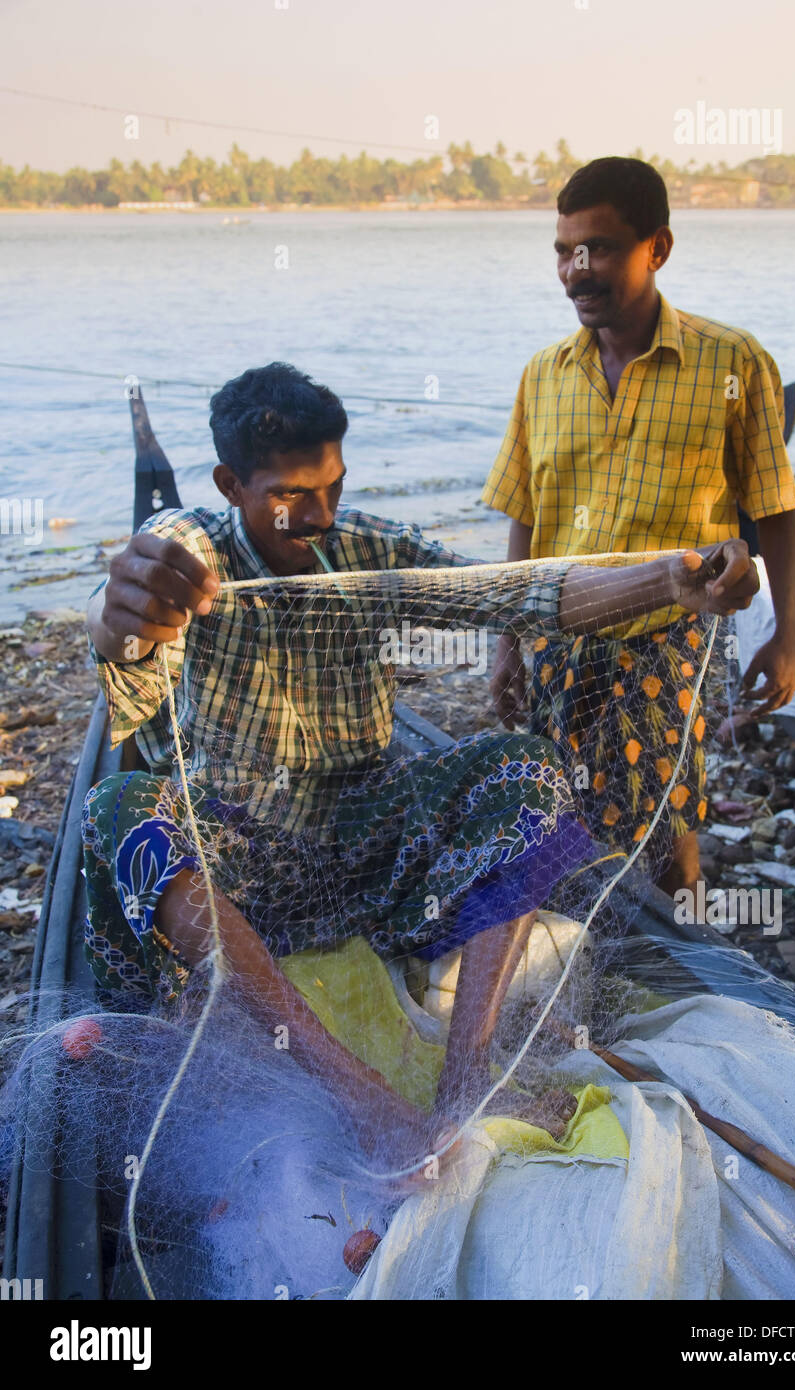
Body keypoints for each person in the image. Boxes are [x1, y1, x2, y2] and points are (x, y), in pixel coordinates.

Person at [84, 361, 758, 1171]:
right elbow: (131, 601)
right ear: (231, 483)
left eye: (332, 485)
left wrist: (672, 580)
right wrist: (121, 605)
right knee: (120, 805)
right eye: (291, 495)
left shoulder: (369, 547)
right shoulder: (196, 550)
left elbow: (517, 593)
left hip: (370, 848)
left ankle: (470, 1075)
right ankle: (357, 1095)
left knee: (524, 767)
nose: (319, 515)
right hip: (245, 860)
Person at [482, 156, 795, 897]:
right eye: (564, 251)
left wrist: (786, 637)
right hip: (562, 626)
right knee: (559, 800)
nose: (576, 270)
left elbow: (776, 510)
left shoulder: (732, 362)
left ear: (657, 247)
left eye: (598, 249)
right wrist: (506, 643)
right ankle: (587, 943)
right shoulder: (544, 375)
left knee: (664, 808)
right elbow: (526, 518)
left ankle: (689, 965)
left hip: (671, 632)